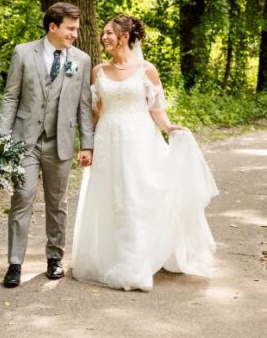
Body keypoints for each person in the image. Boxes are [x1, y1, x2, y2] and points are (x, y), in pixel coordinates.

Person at [71, 15, 218, 291]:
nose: (104, 38)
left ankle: (137, 263)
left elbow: (155, 108)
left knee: (137, 196)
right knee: (110, 197)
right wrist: (86, 145)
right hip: (108, 141)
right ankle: (112, 257)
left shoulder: (146, 70)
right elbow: (96, 111)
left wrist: (169, 127)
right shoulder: (98, 72)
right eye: (103, 33)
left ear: (124, 36)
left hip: (139, 141)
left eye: (108, 33)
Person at [0, 2, 94, 288]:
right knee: (22, 197)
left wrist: (86, 144)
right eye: (70, 28)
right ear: (53, 27)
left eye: (76, 29)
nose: (75, 34)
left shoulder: (82, 59)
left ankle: (55, 258)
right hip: (24, 141)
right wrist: (2, 140)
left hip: (61, 141)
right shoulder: (23, 53)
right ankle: (15, 264)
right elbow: (10, 97)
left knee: (58, 203)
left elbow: (84, 105)